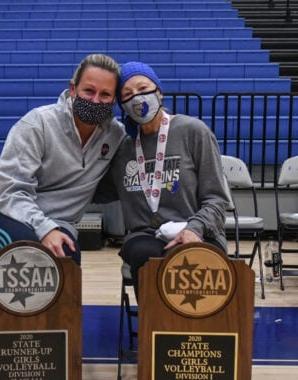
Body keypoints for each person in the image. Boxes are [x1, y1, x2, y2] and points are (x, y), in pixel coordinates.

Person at [0, 54, 126, 264]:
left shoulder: (116, 136)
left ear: (114, 100)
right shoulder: (37, 124)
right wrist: (44, 229)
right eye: (89, 91)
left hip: (58, 223)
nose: (95, 100)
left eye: (105, 94)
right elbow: (12, 193)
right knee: (27, 252)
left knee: (66, 255)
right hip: (0, 213)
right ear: (72, 89)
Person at [96, 61, 231, 297]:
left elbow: (218, 199)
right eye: (127, 95)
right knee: (144, 256)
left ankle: (190, 331)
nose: (137, 98)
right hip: (145, 235)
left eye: (143, 88)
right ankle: (154, 331)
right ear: (123, 106)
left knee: (181, 257)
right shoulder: (123, 148)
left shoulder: (193, 131)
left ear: (158, 91)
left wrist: (194, 229)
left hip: (198, 232)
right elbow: (96, 190)